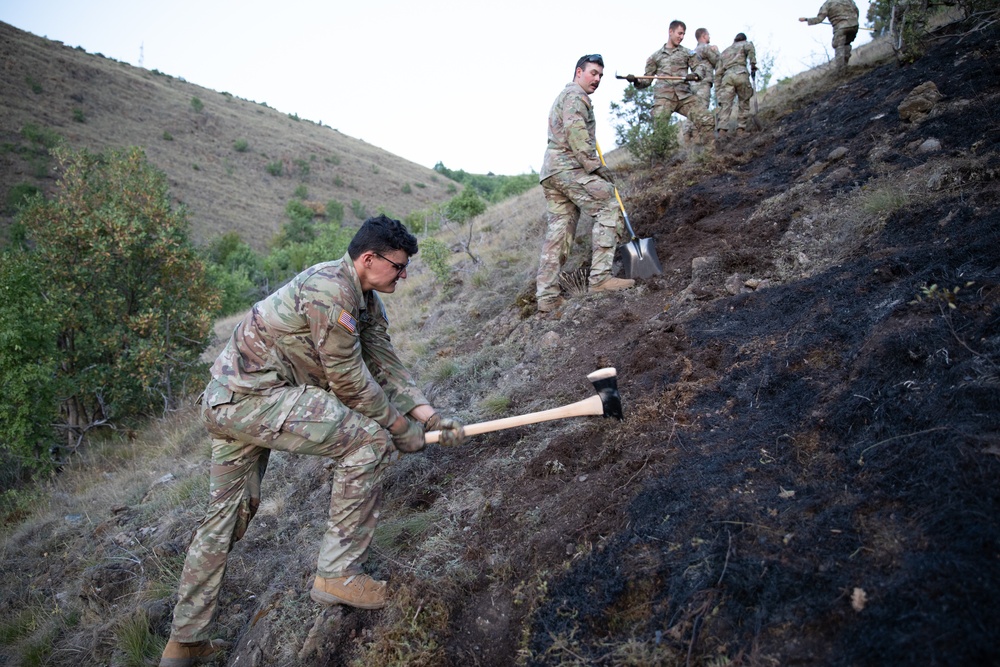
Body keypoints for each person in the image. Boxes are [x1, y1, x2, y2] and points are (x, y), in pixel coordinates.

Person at [158, 215, 466, 667]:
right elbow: (349, 382)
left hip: (231, 401)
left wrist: (429, 415)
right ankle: (337, 574)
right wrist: (400, 431)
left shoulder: (365, 298)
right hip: (249, 400)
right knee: (369, 442)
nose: (404, 275)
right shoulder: (330, 291)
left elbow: (384, 362)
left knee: (226, 517)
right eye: (398, 267)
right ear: (369, 259)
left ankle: (183, 644)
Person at [536, 54, 634, 314]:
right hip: (569, 169)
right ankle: (600, 279)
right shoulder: (576, 97)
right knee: (607, 205)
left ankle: (547, 297)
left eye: (600, 75)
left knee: (559, 234)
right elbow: (577, 135)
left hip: (552, 173)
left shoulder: (566, 96)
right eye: (593, 73)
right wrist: (596, 168)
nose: (597, 79)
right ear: (579, 72)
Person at [626, 20, 714, 146]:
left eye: (683, 34)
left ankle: (708, 155)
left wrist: (695, 75)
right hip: (664, 98)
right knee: (660, 132)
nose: (681, 37)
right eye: (679, 33)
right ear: (670, 31)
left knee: (707, 120)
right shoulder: (655, 57)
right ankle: (659, 163)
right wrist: (635, 80)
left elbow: (700, 67)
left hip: (684, 96)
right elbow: (647, 80)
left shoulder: (687, 53)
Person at [716, 33, 758, 137]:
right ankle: (741, 129)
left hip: (727, 77)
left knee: (726, 105)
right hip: (741, 74)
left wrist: (717, 89)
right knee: (744, 101)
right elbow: (751, 52)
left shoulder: (725, 51)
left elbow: (718, 72)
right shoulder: (746, 44)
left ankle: (722, 131)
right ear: (744, 39)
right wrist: (753, 65)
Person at [800, 0, 860, 70]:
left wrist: (806, 19)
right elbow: (856, 11)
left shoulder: (828, 4)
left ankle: (841, 70)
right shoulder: (848, 1)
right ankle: (846, 67)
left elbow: (819, 19)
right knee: (846, 44)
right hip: (854, 25)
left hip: (841, 28)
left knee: (838, 45)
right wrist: (852, 20)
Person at [690, 28, 720, 110]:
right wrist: (716, 51)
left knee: (694, 110)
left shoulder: (693, 51)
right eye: (708, 35)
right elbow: (718, 62)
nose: (709, 37)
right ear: (704, 36)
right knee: (702, 110)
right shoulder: (706, 48)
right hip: (704, 82)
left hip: (693, 84)